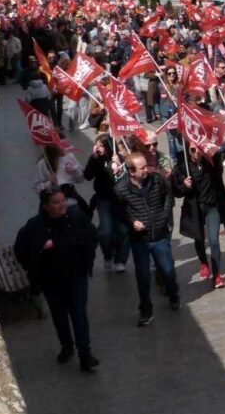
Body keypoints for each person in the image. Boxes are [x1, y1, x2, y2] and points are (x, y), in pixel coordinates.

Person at [14, 188, 100, 372]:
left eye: (63, 201)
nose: (62, 205)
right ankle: (66, 346)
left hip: (76, 276)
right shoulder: (34, 226)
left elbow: (92, 235)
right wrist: (37, 258)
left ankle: (85, 354)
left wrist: (87, 255)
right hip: (51, 280)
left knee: (79, 314)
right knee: (59, 315)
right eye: (56, 202)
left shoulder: (76, 219)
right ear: (46, 207)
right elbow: (21, 250)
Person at [112, 151, 181, 326]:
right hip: (139, 239)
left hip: (159, 234)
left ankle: (174, 295)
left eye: (145, 166)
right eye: (141, 168)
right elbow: (119, 212)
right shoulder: (120, 189)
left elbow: (168, 195)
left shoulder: (156, 180)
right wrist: (132, 222)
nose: (146, 170)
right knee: (142, 276)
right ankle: (145, 310)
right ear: (131, 171)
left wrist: (164, 217)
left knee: (168, 270)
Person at [171, 144, 225, 289]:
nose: (196, 152)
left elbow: (220, 156)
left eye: (199, 148)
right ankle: (204, 262)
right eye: (193, 150)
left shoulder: (211, 162)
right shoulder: (183, 166)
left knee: (213, 240)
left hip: (212, 206)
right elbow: (176, 192)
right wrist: (184, 185)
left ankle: (217, 275)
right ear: (188, 151)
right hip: (195, 208)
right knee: (199, 238)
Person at [84, 135, 129, 273]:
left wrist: (120, 164)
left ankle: (120, 260)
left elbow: (125, 178)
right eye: (96, 145)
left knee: (123, 231)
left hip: (121, 201)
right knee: (105, 232)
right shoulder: (97, 159)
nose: (98, 148)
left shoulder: (119, 159)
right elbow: (87, 176)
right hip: (104, 200)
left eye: (101, 146)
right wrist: (93, 158)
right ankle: (108, 254)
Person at [34, 144, 87, 212]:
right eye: (62, 145)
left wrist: (75, 171)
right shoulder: (42, 163)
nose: (66, 148)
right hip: (52, 199)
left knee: (82, 212)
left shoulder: (69, 157)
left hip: (69, 195)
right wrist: (49, 183)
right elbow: (37, 187)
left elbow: (80, 179)